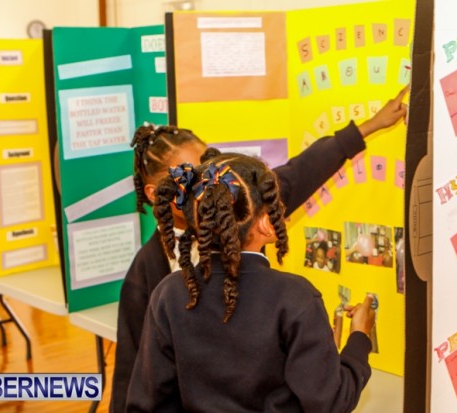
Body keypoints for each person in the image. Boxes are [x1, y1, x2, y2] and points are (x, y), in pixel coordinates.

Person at [111, 87, 408, 412]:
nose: (209, 183)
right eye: (192, 178)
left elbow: (304, 170)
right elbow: (135, 380)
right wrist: (357, 340)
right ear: (157, 193)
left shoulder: (241, 201)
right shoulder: (152, 279)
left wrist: (370, 125)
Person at [125, 154, 377, 412]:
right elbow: (330, 401)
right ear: (267, 224)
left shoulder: (169, 294)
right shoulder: (295, 298)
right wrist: (360, 337)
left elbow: (149, 402)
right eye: (276, 205)